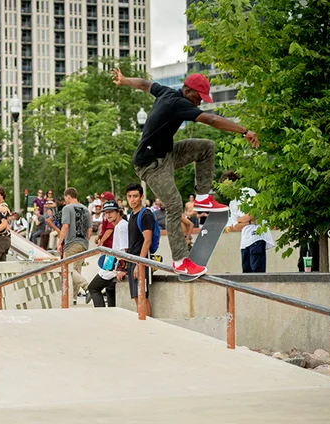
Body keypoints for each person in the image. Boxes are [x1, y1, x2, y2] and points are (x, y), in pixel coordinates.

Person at [113, 68, 259, 278]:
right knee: (173, 205)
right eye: (199, 98)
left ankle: (202, 198)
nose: (200, 103)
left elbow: (145, 84)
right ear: (189, 91)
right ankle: (181, 261)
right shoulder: (178, 103)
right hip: (150, 166)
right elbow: (211, 120)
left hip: (167, 155)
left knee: (205, 147)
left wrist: (125, 80)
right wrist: (244, 131)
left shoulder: (165, 91)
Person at [221, 172, 275, 273]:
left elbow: (254, 213)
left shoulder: (248, 192)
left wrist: (241, 219)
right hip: (245, 241)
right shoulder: (232, 203)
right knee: (246, 272)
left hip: (257, 236)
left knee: (257, 271)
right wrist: (248, 222)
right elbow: (235, 226)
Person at [87, 200, 129, 307]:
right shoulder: (120, 225)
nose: (108, 215)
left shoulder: (121, 227)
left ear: (118, 212)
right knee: (110, 288)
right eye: (105, 213)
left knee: (93, 288)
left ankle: (101, 314)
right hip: (112, 264)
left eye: (111, 212)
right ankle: (111, 313)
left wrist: (122, 269)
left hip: (116, 267)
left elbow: (125, 250)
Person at [58, 187, 92, 300]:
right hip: (83, 243)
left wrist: (59, 243)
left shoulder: (67, 208)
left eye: (65, 198)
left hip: (72, 243)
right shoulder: (86, 209)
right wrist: (85, 241)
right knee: (76, 270)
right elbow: (90, 230)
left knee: (67, 268)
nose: (65, 201)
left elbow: (65, 226)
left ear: (68, 196)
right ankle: (73, 297)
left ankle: (87, 287)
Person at [125, 183, 154, 314]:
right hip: (132, 260)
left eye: (135, 196)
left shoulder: (145, 215)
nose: (132, 199)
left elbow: (147, 240)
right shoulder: (132, 214)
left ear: (141, 197)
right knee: (137, 296)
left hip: (141, 260)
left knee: (143, 296)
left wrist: (139, 264)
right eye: (129, 196)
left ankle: (148, 327)